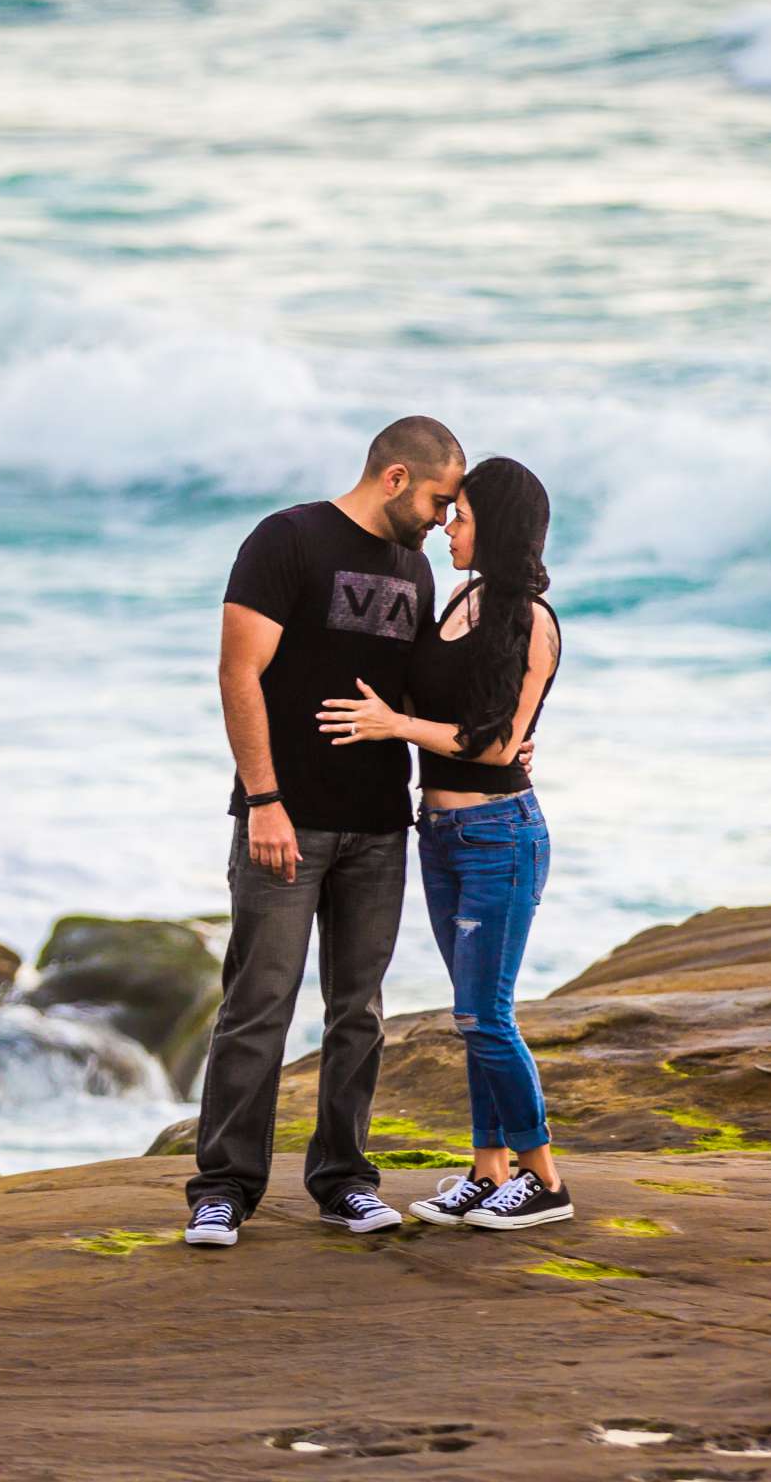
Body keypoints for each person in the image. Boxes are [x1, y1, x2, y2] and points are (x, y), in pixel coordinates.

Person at [182, 417, 465, 1247]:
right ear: (396, 477)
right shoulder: (287, 540)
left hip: (379, 826)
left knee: (359, 1013)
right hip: (287, 822)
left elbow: (417, 697)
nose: (446, 520)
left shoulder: (415, 569)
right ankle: (224, 1187)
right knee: (257, 1003)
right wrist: (263, 799)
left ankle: (343, 1180)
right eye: (440, 499)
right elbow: (240, 672)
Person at [316, 457, 568, 1230]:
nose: (446, 526)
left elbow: (495, 747)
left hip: (500, 834)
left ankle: (544, 1180)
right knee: (470, 1016)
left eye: (459, 515)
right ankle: (488, 1170)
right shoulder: (461, 598)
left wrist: (396, 728)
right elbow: (456, 703)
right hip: (442, 833)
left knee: (484, 1014)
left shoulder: (531, 618)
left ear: (496, 523)